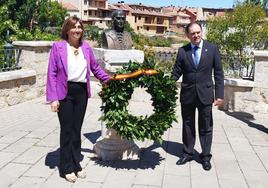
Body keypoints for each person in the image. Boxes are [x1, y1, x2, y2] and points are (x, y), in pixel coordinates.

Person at [46, 16, 110, 182]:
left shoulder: (86, 48)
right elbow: (52, 73)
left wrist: (108, 79)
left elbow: (95, 68)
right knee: (66, 130)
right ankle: (66, 167)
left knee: (76, 130)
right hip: (64, 92)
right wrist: (53, 98)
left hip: (81, 92)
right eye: (73, 27)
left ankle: (76, 163)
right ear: (67, 30)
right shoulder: (58, 47)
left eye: (79, 27)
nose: (77, 30)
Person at [172, 22, 224, 171]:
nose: (196, 35)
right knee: (187, 125)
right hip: (187, 94)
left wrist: (219, 94)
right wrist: (166, 84)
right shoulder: (183, 51)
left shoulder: (212, 49)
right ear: (188, 35)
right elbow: (176, 72)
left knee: (206, 127)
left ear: (201, 32)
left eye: (198, 32)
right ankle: (188, 153)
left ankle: (205, 157)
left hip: (206, 94)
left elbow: (219, 73)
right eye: (192, 33)